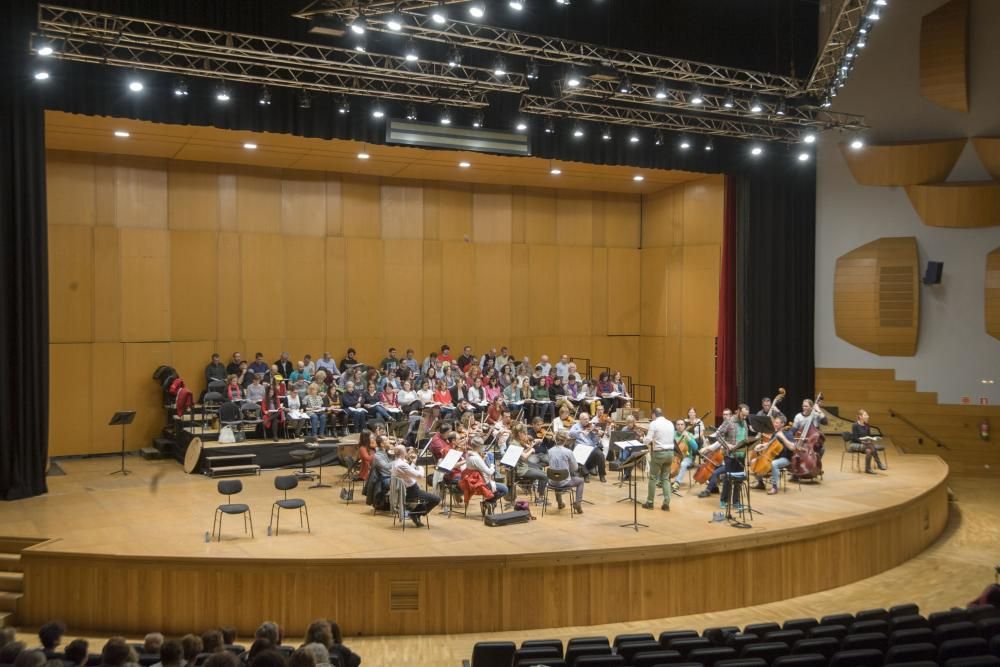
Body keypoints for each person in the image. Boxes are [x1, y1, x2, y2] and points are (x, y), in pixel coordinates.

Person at [391, 444, 440, 526]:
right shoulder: (402, 465)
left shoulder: (396, 463)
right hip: (411, 492)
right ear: (403, 453)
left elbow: (409, 471)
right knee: (436, 499)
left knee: (426, 498)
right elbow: (420, 476)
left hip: (408, 490)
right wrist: (421, 466)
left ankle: (415, 514)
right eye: (406, 451)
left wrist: (414, 462)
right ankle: (415, 514)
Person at [641, 408, 675, 511]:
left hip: (659, 453)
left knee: (653, 478)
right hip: (670, 453)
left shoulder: (654, 424)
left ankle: (650, 502)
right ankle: (666, 503)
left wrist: (642, 439)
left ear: (653, 415)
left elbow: (648, 440)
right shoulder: (670, 423)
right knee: (665, 478)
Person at [751, 414, 795, 494]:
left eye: (777, 423)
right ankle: (760, 483)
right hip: (774, 456)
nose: (774, 424)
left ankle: (775, 487)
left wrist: (783, 437)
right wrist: (761, 445)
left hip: (785, 458)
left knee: (774, 464)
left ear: (782, 424)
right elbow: (769, 444)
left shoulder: (788, 433)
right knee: (754, 461)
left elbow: (792, 448)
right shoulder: (775, 433)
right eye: (774, 422)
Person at [545, 432, 585, 513]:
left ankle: (560, 503)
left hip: (551, 481)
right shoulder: (568, 452)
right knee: (581, 481)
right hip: (564, 482)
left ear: (555, 440)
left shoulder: (550, 451)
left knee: (556, 475)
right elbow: (575, 468)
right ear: (565, 441)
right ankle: (578, 503)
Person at [462, 437, 508, 506]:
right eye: (482, 446)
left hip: (473, 481)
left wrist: (483, 459)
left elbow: (477, 466)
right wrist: (492, 465)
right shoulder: (476, 458)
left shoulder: (468, 454)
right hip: (481, 483)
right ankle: (488, 502)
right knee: (505, 489)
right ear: (479, 446)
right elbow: (489, 472)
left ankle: (490, 502)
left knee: (489, 456)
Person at [567, 412, 607, 482]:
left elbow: (594, 441)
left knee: (600, 454)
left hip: (591, 447)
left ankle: (602, 475)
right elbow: (570, 433)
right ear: (580, 420)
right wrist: (581, 431)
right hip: (581, 446)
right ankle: (586, 475)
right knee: (579, 456)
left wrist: (598, 436)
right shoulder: (576, 426)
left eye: (588, 419)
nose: (587, 421)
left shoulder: (591, 426)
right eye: (585, 419)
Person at [851, 409, 886, 474]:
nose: (868, 416)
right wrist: (863, 442)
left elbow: (869, 436)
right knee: (870, 446)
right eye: (866, 415)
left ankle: (867, 469)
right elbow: (854, 438)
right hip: (856, 444)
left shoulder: (867, 425)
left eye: (867, 415)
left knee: (869, 451)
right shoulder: (855, 425)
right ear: (860, 416)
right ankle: (879, 463)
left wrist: (873, 439)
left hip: (866, 445)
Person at [670, 418, 699, 491]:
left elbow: (695, 448)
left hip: (687, 457)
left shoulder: (689, 434)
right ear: (676, 426)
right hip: (675, 456)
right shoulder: (673, 434)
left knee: (683, 464)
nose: (680, 426)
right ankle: (664, 480)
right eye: (678, 424)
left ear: (685, 426)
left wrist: (689, 438)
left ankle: (677, 482)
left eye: (682, 424)